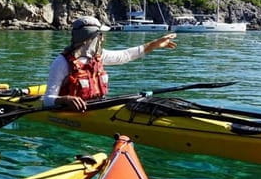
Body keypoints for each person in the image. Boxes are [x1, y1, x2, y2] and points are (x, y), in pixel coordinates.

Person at [44, 16, 177, 112]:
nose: (103, 38)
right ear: (91, 38)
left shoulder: (99, 56)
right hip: (70, 113)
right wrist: (65, 100)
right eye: (100, 34)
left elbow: (126, 55)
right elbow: (47, 101)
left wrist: (154, 45)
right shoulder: (62, 63)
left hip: (98, 107)